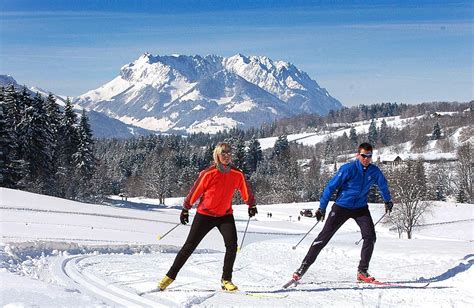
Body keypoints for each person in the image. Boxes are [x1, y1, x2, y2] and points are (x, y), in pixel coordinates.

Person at [158, 142, 257, 292]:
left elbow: (245, 189)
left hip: (225, 215)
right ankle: (169, 277)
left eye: (229, 153)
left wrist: (251, 204)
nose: (227, 156)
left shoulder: (237, 174)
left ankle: (226, 280)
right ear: (217, 155)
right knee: (189, 246)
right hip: (205, 215)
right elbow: (195, 191)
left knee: (232, 246)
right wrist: (185, 208)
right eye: (223, 153)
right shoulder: (208, 173)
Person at [291, 142, 394, 283]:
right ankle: (302, 268)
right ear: (358, 155)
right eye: (364, 156)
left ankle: (362, 272)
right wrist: (322, 208)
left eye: (369, 156)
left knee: (370, 237)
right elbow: (330, 187)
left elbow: (383, 185)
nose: (366, 159)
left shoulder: (374, 171)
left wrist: (387, 200)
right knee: (323, 238)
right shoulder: (348, 169)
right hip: (341, 207)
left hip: (360, 208)